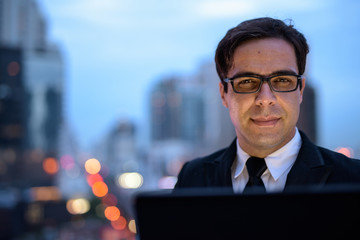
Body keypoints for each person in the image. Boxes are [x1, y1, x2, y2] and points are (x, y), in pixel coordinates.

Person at [174, 17, 360, 193]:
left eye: (281, 80)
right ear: (223, 93)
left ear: (300, 90)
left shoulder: (353, 179)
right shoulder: (191, 179)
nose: (265, 98)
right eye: (246, 81)